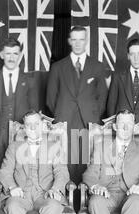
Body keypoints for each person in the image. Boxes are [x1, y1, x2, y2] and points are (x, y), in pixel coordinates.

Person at [46, 26, 108, 186]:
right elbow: (50, 98)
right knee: (64, 159)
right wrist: (62, 113)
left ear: (86, 40)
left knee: (86, 158)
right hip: (64, 120)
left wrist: (93, 114)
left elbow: (102, 96)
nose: (78, 43)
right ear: (69, 41)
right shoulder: (58, 67)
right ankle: (65, 196)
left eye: (81, 39)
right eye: (74, 39)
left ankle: (85, 196)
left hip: (88, 121)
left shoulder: (97, 66)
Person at [0, 37, 39, 179]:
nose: (11, 57)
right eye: (8, 53)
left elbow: (34, 110)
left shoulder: (29, 81)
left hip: (21, 133)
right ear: (2, 55)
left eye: (15, 53)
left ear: (20, 55)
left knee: (21, 171)